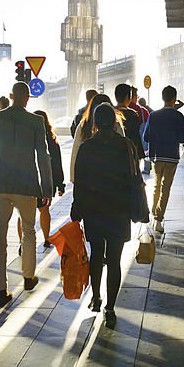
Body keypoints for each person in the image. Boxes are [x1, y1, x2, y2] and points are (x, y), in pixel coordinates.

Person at [0, 81, 53, 307]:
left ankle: (1, 290)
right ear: (28, 98)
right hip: (26, 185)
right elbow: (43, 156)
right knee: (29, 231)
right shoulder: (35, 121)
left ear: (12, 96)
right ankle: (28, 277)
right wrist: (47, 187)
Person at [72, 103, 134, 328]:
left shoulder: (88, 147)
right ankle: (110, 307)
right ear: (115, 122)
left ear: (95, 123)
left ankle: (96, 297)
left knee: (97, 253)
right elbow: (133, 176)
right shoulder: (125, 146)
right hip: (118, 210)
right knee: (115, 259)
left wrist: (77, 207)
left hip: (94, 208)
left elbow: (80, 181)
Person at [144, 85, 184, 233]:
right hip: (171, 157)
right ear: (174, 99)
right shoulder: (178, 116)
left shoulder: (153, 115)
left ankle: (152, 214)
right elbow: (182, 138)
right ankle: (158, 219)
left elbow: (146, 137)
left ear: (162, 98)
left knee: (156, 186)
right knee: (165, 188)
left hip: (157, 155)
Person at [18, 110, 64, 249]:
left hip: (27, 181)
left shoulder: (24, 140)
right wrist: (60, 184)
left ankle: (22, 241)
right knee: (45, 210)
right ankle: (46, 238)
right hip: (45, 182)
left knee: (24, 213)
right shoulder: (52, 141)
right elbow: (57, 164)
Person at [70, 93, 118, 182]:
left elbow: (75, 152)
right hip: (114, 178)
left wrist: (74, 178)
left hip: (89, 178)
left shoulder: (83, 126)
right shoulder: (117, 125)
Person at [114, 83, 145, 161]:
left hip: (114, 152)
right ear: (128, 97)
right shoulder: (132, 115)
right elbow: (135, 136)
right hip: (129, 153)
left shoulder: (111, 112)